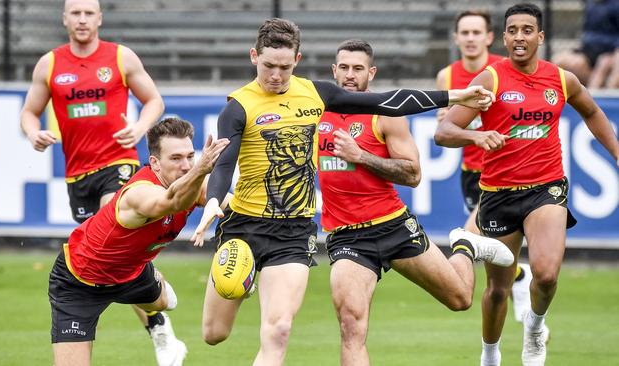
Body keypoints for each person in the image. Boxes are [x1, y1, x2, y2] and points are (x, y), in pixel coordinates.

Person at [189, 18, 498, 366]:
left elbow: (389, 101)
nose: (276, 75)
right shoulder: (238, 106)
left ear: (298, 61)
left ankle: (464, 246)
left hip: (296, 231)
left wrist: (457, 95)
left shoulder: (315, 94)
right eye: (268, 66)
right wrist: (214, 199)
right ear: (253, 57)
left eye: (285, 67)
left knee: (279, 331)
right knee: (214, 334)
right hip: (244, 227)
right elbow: (225, 161)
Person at [434, 4, 619, 366]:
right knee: (498, 291)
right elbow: (444, 132)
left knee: (547, 275)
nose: (520, 36)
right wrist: (478, 136)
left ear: (540, 36)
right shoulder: (489, 79)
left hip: (545, 188)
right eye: (513, 30)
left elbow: (593, 112)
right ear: (504, 37)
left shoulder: (562, 79)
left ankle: (535, 328)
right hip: (498, 194)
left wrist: (616, 152)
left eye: (527, 29)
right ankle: (490, 354)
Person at [318, 39, 514, 366]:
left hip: (394, 226)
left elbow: (412, 174)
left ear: (372, 72)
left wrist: (360, 156)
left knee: (461, 298)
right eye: (344, 68)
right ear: (333, 71)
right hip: (347, 236)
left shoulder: (386, 115)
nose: (350, 75)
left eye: (358, 69)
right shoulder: (316, 112)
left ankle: (465, 245)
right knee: (351, 325)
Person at [18, 1, 178, 364]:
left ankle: (156, 321)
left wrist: (139, 128)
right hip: (77, 174)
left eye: (89, 13)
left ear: (100, 18)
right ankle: (155, 316)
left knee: (115, 215)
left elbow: (154, 100)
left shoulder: (121, 58)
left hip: (118, 164)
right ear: (65, 19)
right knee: (107, 254)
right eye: (75, 13)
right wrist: (33, 133)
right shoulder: (50, 64)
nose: (82, 19)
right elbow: (29, 111)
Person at [48, 117, 230, 366]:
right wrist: (202, 169)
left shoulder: (198, 186)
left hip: (133, 273)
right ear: (154, 163)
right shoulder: (138, 194)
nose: (186, 166)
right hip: (79, 282)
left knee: (165, 303)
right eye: (176, 158)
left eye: (190, 156)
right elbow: (171, 202)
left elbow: (238, 205)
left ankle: (157, 304)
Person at [436, 10, 533, 324]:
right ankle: (519, 276)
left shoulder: (502, 71)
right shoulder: (446, 76)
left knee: (469, 235)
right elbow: (446, 127)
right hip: (470, 172)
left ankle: (469, 280)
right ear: (456, 38)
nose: (470, 38)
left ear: (490, 37)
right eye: (464, 33)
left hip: (502, 172)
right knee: (491, 246)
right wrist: (451, 123)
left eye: (477, 32)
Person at [553, 0, 619, 89]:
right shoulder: (590, 4)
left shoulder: (615, 5)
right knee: (559, 61)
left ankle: (601, 96)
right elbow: (587, 36)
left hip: (610, 53)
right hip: (588, 53)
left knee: (603, 64)